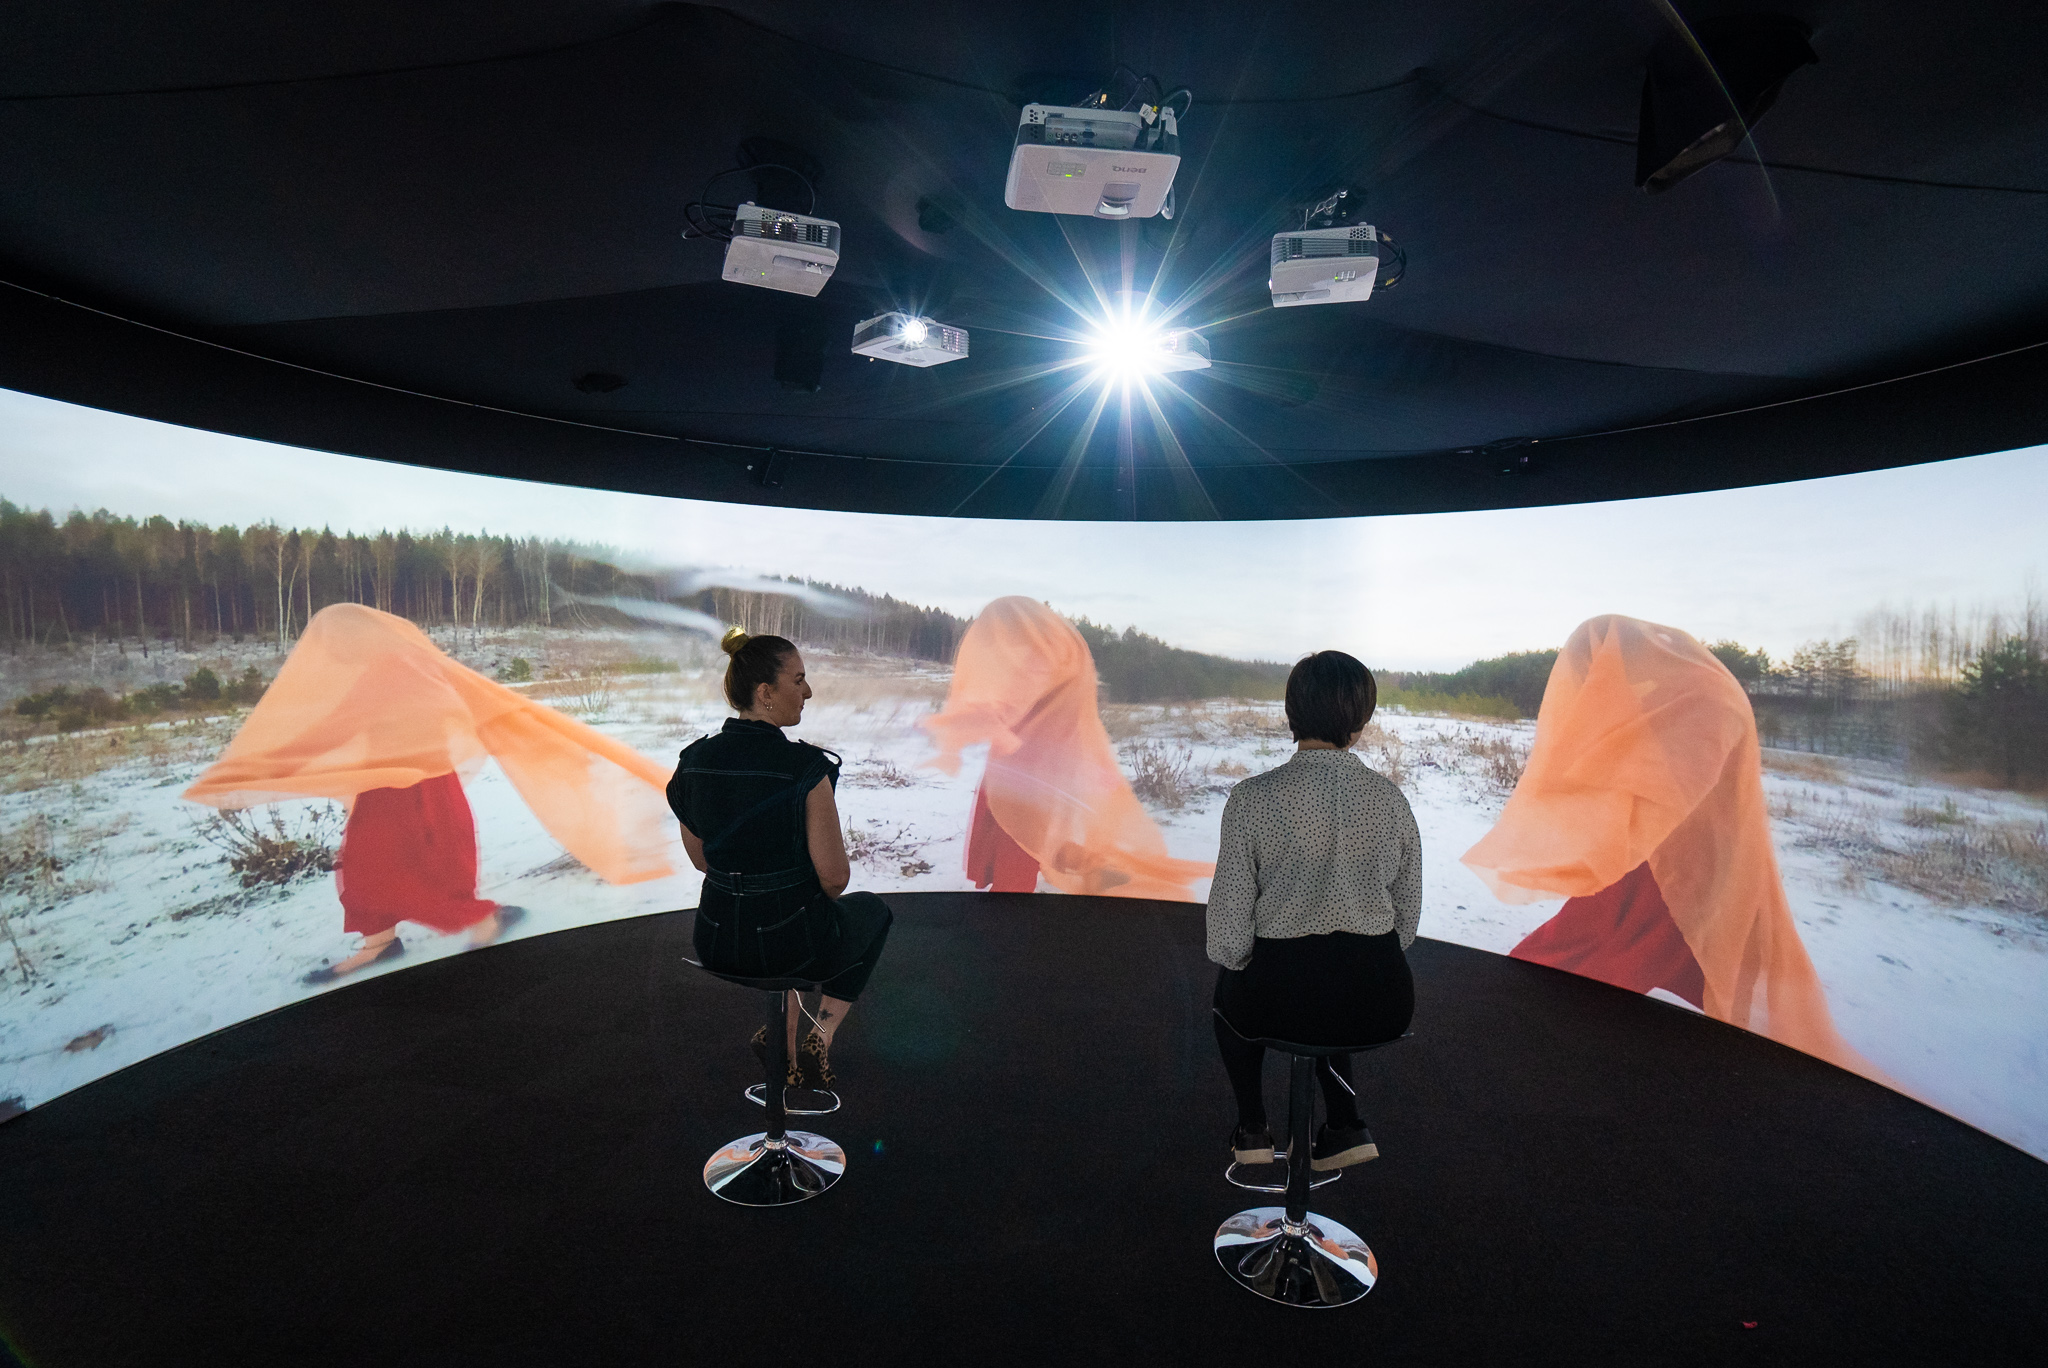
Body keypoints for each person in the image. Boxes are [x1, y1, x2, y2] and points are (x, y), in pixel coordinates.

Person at [1461, 615, 1876, 1079]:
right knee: (1612, 942)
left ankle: (1556, 1041)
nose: (1604, 679)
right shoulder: (1683, 692)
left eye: (1602, 666)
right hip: (1666, 852)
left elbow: (1673, 784)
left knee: (1614, 947)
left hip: (1683, 860)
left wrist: (1613, 816)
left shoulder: (1705, 697)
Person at [184, 604, 679, 983]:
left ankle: (478, 920)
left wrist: (255, 769)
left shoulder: (392, 673)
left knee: (381, 868)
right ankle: (385, 941)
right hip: (401, 788)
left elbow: (331, 732)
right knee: (376, 864)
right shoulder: (407, 668)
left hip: (412, 791)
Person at [1207, 650, 1419, 1171]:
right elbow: (1406, 920)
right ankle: (1345, 1121)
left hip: (1278, 999)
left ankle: (1253, 1125)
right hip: (1381, 997)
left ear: (1290, 711)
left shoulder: (1252, 799)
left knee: (1233, 996)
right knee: (1333, 986)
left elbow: (1228, 939)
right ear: (1361, 718)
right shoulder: (1391, 800)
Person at [668, 629, 893, 1089]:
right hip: (790, 942)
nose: (808, 692)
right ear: (765, 693)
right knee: (869, 913)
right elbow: (835, 880)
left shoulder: (692, 763)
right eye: (799, 680)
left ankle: (782, 1039)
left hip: (713, 939)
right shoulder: (807, 770)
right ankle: (821, 1035)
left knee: (791, 917)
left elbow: (701, 861)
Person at [923, 595, 1212, 899]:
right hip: (1046, 756)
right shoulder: (1057, 651)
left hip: (1028, 762)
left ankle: (1011, 904)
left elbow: (1011, 705)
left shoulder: (1038, 657)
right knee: (1036, 829)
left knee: (1018, 833)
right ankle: (1096, 873)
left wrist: (959, 725)